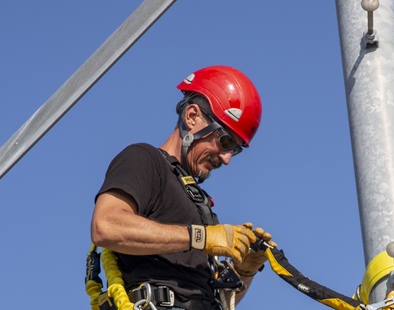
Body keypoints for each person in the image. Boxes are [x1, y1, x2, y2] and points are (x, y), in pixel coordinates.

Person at [91, 65, 275, 310]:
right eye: (225, 141)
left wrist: (245, 270)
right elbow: (106, 226)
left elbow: (215, 300)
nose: (227, 158)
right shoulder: (145, 160)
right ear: (192, 116)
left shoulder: (200, 205)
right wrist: (202, 237)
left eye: (235, 149)